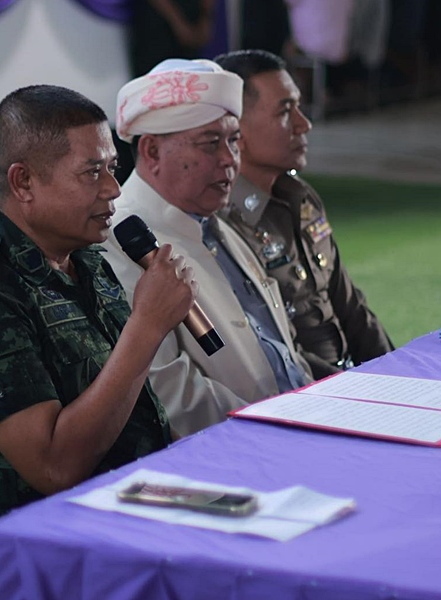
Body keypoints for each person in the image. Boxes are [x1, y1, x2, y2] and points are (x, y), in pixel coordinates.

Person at [0, 85, 196, 522]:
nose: (113, 190)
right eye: (91, 172)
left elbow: (139, 420)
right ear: (23, 182)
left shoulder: (87, 263)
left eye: (112, 168)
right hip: (62, 543)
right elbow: (54, 467)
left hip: (143, 509)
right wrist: (148, 325)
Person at [102, 59, 311, 438]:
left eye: (233, 140)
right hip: (247, 446)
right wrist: (275, 431)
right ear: (151, 151)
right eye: (211, 143)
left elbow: (282, 348)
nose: (230, 159)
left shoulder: (211, 220)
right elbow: (168, 391)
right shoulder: (121, 240)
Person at [213, 50, 394, 379]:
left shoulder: (300, 197)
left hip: (349, 381)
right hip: (304, 390)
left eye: (299, 106)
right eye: (285, 111)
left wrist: (395, 371)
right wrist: (355, 387)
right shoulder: (223, 224)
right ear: (236, 130)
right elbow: (275, 352)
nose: (303, 124)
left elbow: (351, 307)